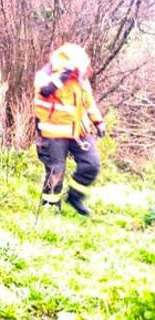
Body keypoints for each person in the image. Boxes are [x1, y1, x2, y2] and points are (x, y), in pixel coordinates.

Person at [33, 43, 106, 216]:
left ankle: (74, 197)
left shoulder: (81, 79)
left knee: (91, 164)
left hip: (78, 131)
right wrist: (64, 76)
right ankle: (50, 206)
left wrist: (98, 121)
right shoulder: (46, 74)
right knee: (55, 171)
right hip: (53, 132)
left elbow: (88, 102)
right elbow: (45, 90)